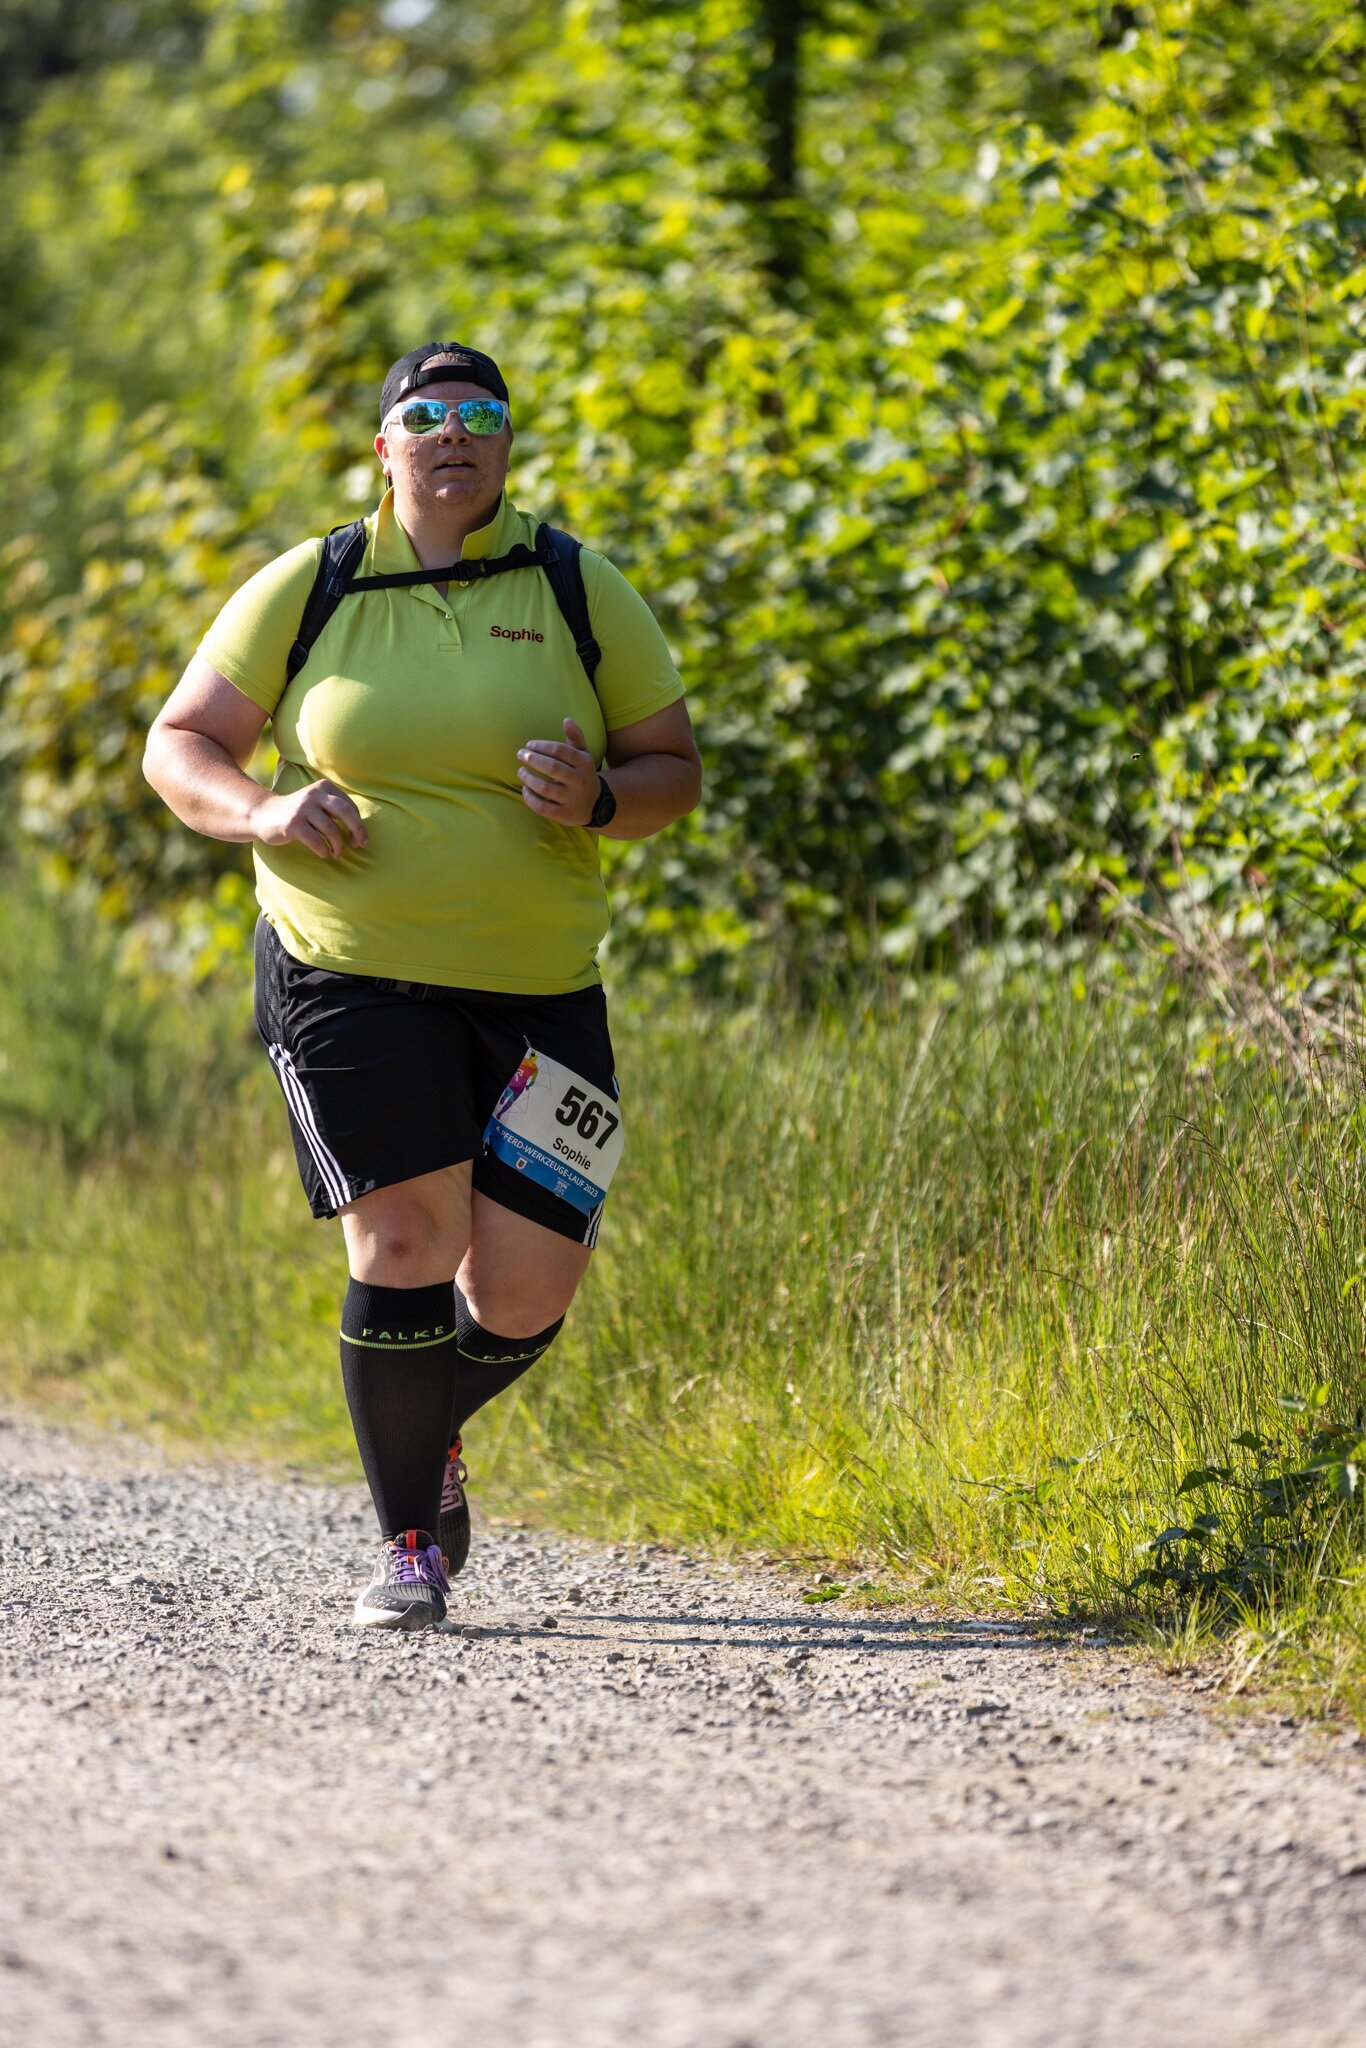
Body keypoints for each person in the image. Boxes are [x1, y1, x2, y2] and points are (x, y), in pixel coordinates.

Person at [143, 343, 701, 1631]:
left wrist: (602, 798)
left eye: (480, 415)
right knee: (403, 1243)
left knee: (527, 1292)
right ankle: (409, 1546)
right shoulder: (316, 581)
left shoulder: (575, 583)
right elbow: (181, 743)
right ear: (385, 446)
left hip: (538, 985)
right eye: (428, 414)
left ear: (506, 445)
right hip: (346, 971)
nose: (454, 433)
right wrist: (265, 810)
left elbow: (672, 769)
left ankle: (420, 1420)